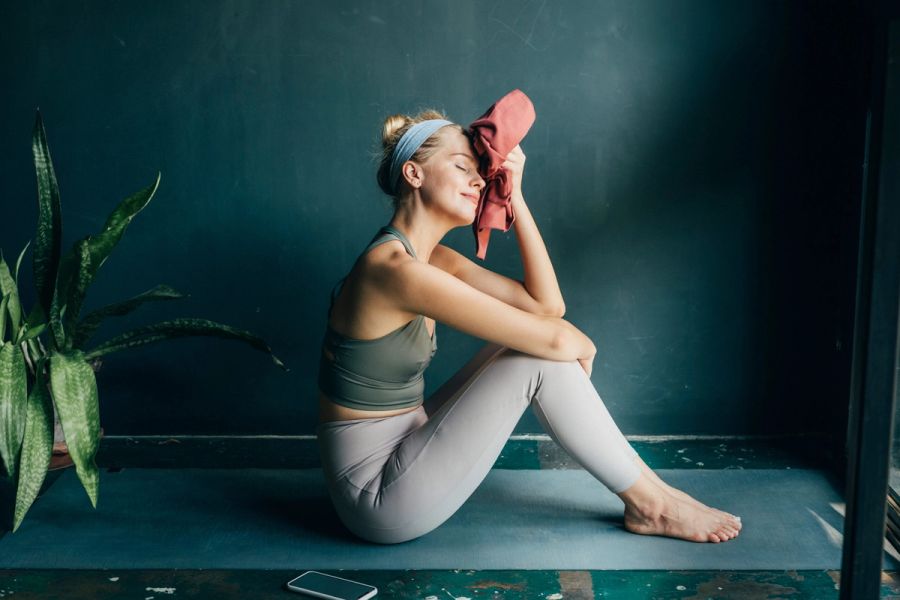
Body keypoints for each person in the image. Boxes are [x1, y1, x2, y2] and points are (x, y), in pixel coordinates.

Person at [316, 109, 743, 545]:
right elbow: (555, 335)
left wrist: (515, 196)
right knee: (539, 360)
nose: (479, 182)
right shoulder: (394, 270)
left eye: (481, 174)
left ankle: (657, 493)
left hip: (410, 437)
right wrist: (580, 344)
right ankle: (652, 505)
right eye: (462, 167)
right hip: (375, 495)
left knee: (523, 351)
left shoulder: (431, 259)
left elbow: (546, 306)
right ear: (413, 174)